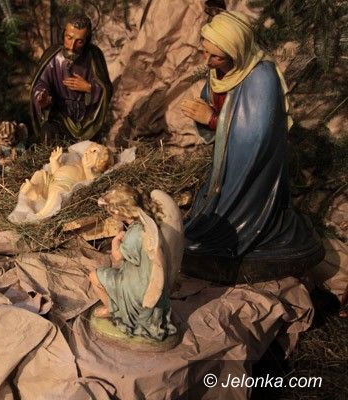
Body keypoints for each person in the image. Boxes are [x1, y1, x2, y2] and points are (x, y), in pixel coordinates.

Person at [179, 11, 323, 279]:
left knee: (226, 228)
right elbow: (222, 107)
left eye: (216, 56)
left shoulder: (262, 78)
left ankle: (238, 240)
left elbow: (255, 137)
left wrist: (211, 119)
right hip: (226, 165)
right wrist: (205, 112)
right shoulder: (221, 70)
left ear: (236, 52)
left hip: (255, 171)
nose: (207, 61)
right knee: (201, 223)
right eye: (204, 52)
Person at [88, 184, 178, 340]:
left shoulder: (135, 233)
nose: (110, 215)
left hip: (138, 289)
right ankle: (116, 306)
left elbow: (117, 256)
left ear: (120, 211)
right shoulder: (145, 222)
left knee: (94, 276)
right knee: (111, 274)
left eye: (111, 212)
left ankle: (113, 310)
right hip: (142, 278)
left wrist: (116, 240)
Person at [30, 13, 112, 142]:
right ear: (64, 33)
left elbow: (107, 88)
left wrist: (89, 88)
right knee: (48, 135)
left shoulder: (94, 56)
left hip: (87, 120)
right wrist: (41, 97)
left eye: (79, 41)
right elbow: (40, 83)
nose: (71, 46)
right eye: (69, 38)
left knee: (91, 149)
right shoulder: (53, 56)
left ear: (87, 40)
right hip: (60, 116)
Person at [19, 142, 112, 219]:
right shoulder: (77, 163)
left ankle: (41, 215)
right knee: (40, 174)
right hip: (52, 180)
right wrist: (54, 161)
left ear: (101, 161)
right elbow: (57, 172)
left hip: (64, 185)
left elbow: (91, 183)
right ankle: (34, 188)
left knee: (56, 192)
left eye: (94, 151)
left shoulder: (91, 172)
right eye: (88, 150)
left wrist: (88, 168)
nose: (87, 152)